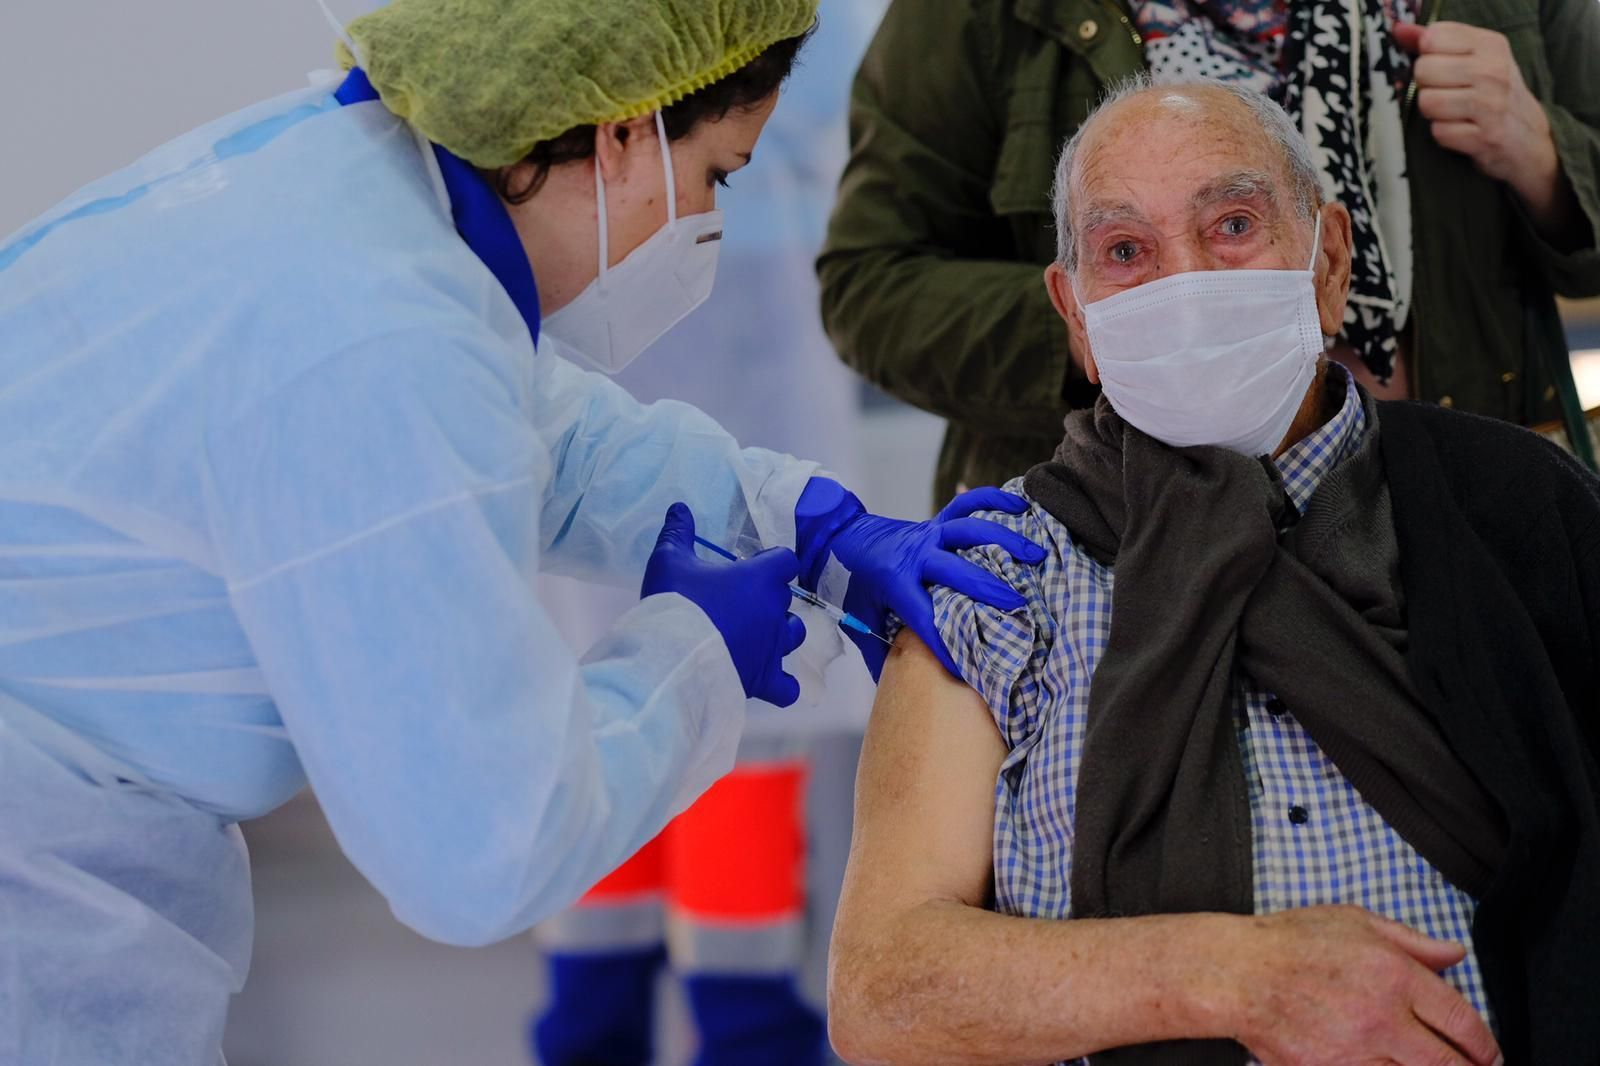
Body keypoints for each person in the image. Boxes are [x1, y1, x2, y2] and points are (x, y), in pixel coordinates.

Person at [0, 2, 1046, 1063]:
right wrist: (692, 657)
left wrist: (798, 517)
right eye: (717, 175)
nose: (707, 221)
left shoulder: (347, 185)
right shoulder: (374, 336)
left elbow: (549, 433)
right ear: (622, 128)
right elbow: (481, 849)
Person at [826, 76, 1600, 1065]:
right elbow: (881, 989)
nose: (1183, 283)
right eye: (1125, 252)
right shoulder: (997, 578)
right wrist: (1238, 976)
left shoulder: (1516, 507)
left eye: (1231, 224)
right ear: (1076, 314)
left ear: (1326, 260)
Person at [819, 0, 1600, 506]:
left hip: (1450, 504)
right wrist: (1114, 320)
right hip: (1120, 531)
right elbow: (870, 281)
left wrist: (1544, 156)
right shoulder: (969, 18)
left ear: (1333, 256)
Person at [529, 4, 884, 1060]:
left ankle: (698, 1013)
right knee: (661, 724)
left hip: (733, 331)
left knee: (667, 723)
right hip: (689, 324)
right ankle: (720, 1017)